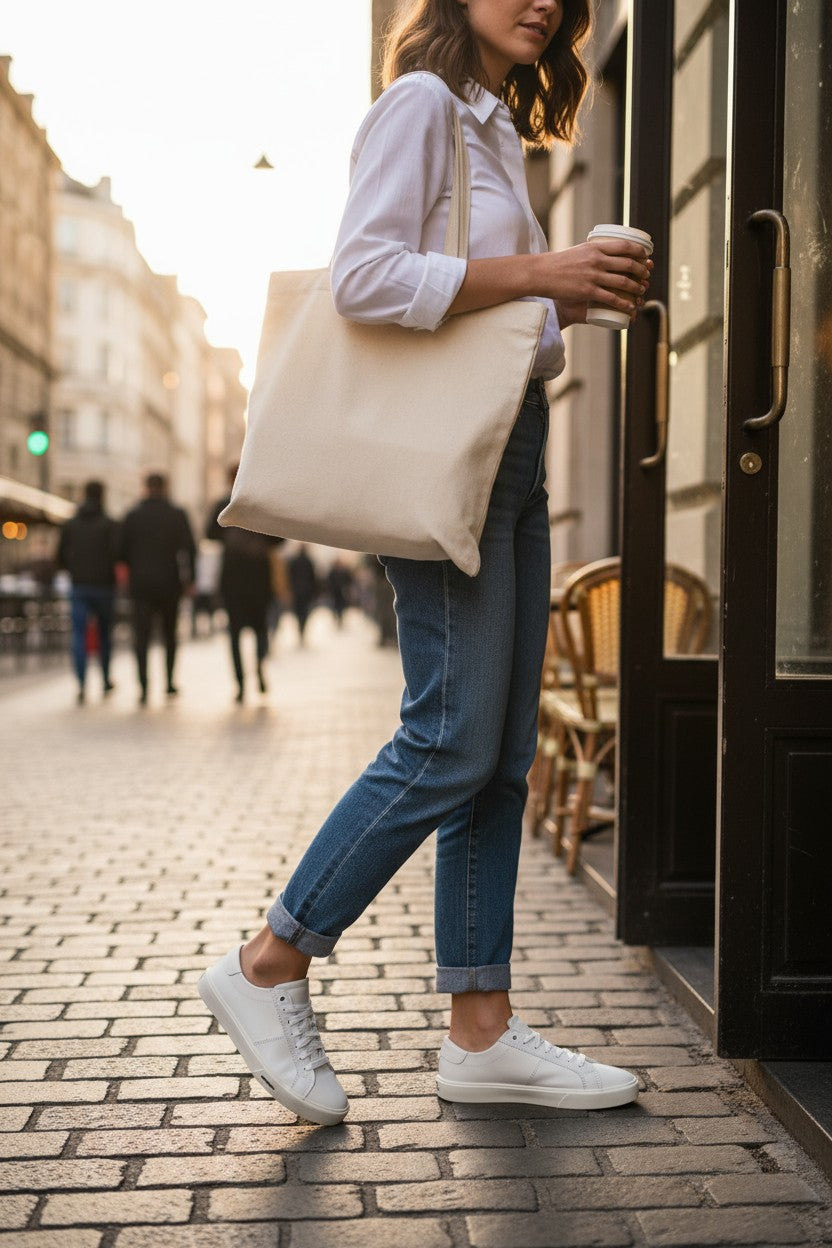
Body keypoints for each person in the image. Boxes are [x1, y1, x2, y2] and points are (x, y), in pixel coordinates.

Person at [198, 0, 653, 1127]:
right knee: (447, 738)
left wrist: (570, 298)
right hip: (444, 453)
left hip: (512, 444)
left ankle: (481, 1034)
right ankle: (268, 961)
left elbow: (489, 309)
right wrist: (544, 270)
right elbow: (366, 279)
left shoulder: (496, 129)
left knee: (498, 756)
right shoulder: (420, 107)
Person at [207, 467, 283, 703]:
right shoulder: (261, 501)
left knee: (235, 633)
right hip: (259, 575)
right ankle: (259, 669)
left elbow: (209, 533)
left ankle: (240, 683)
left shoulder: (223, 502)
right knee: (261, 629)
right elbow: (279, 538)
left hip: (233, 577)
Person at [120, 472, 196, 706]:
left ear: (145, 487)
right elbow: (190, 549)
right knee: (169, 635)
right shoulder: (176, 514)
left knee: (141, 636)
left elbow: (120, 550)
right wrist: (189, 579)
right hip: (169, 583)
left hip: (140, 584)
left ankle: (143, 686)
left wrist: (134, 568)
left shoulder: (132, 515)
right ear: (165, 487)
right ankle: (169, 682)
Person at [56, 480, 119, 705]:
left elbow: (60, 555)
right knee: (104, 635)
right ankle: (104, 679)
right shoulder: (110, 524)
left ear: (83, 494)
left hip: (79, 585)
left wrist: (74, 569)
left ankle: (81, 683)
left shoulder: (71, 524)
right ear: (102, 495)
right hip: (104, 586)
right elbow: (117, 554)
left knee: (79, 635)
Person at [286, 544, 319, 646]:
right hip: (306, 591)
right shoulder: (309, 561)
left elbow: (289, 577)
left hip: (296, 591)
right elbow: (313, 578)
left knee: (298, 613)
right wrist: (314, 591)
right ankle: (302, 631)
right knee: (304, 613)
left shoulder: (293, 561)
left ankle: (300, 631)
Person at [326, 558, 354, 628]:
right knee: (335, 607)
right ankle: (337, 618)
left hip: (341, 592)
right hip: (335, 593)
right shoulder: (332, 572)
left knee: (341, 607)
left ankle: (340, 619)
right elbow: (329, 582)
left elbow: (349, 580)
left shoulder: (344, 572)